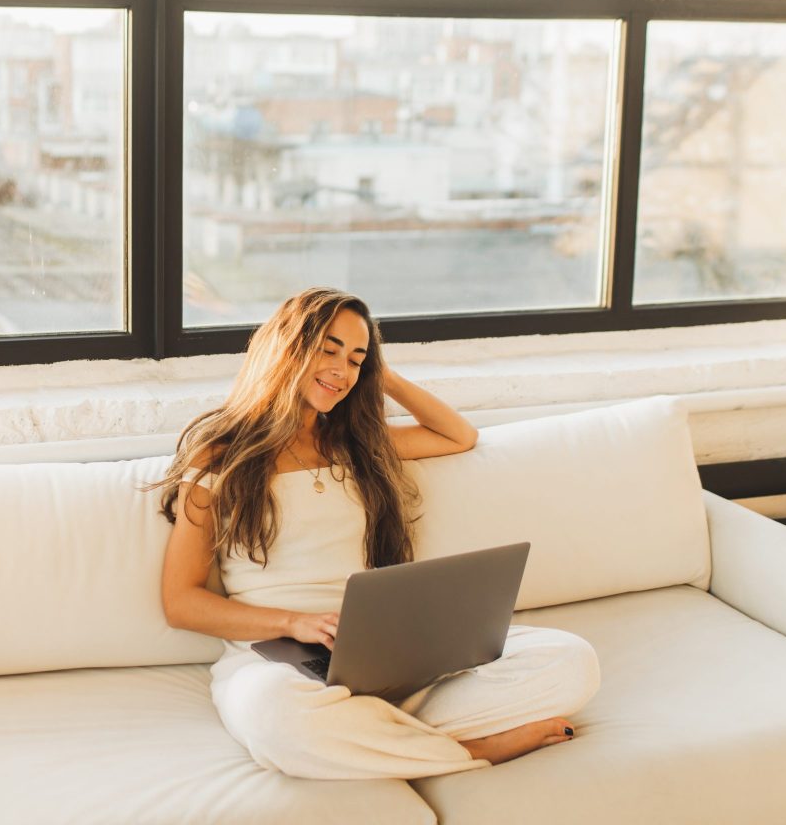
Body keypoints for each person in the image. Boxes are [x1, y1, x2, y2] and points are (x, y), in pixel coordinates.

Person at [153, 287, 600, 779]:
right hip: (278, 663)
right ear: (286, 348)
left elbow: (458, 436)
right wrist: (294, 624)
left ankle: (374, 735)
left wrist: (378, 374)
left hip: (384, 652)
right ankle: (473, 752)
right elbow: (181, 601)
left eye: (356, 358)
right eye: (328, 349)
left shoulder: (358, 446)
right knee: (277, 718)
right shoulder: (218, 456)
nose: (342, 370)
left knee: (573, 661)